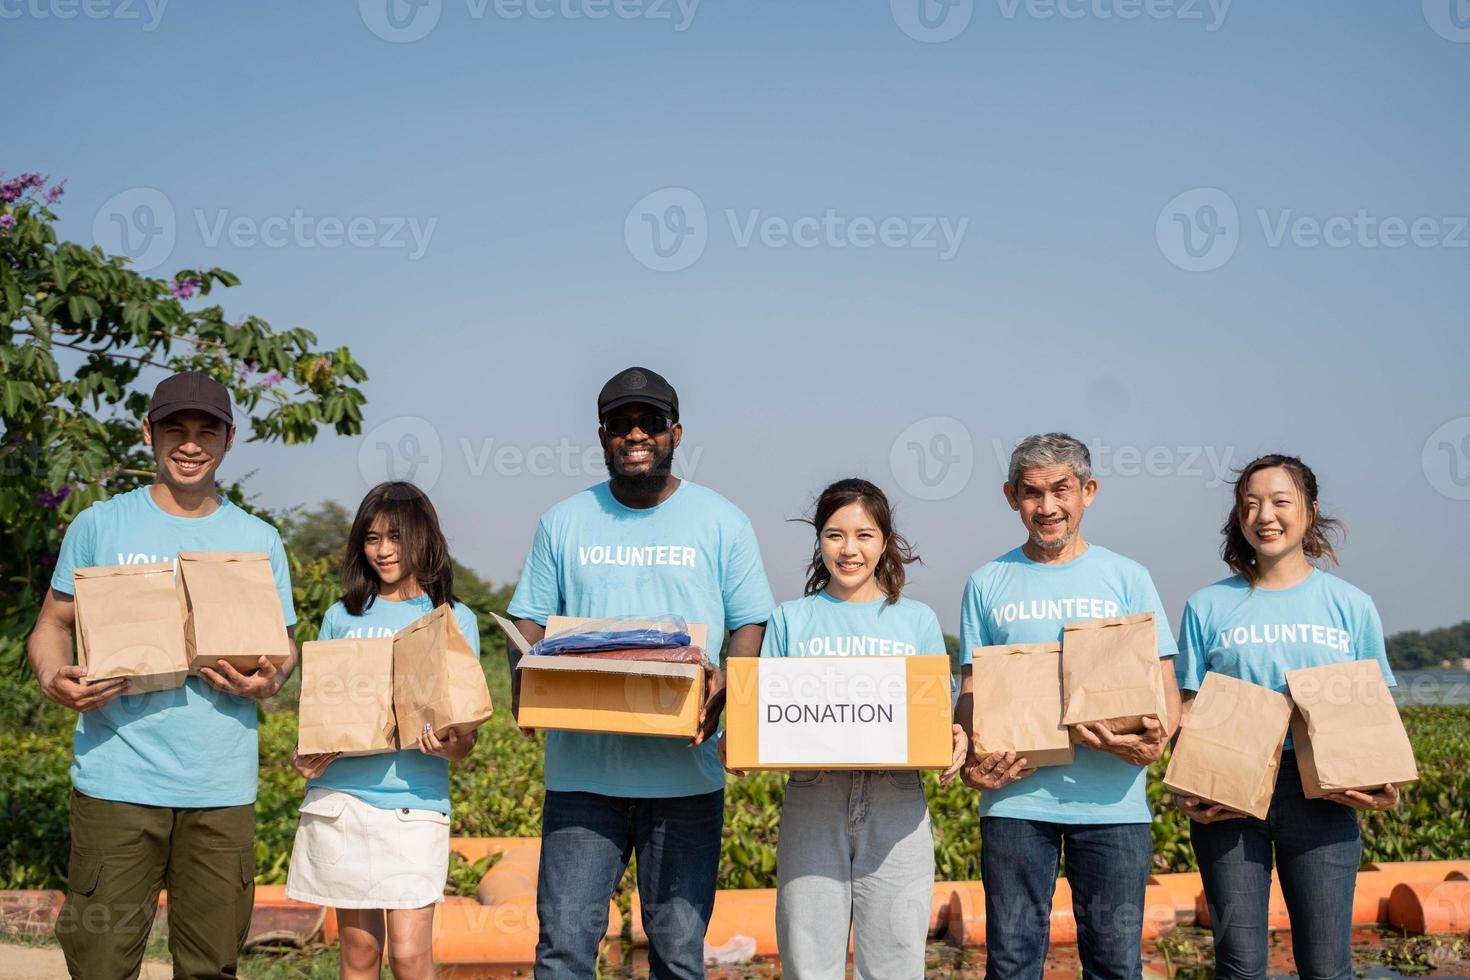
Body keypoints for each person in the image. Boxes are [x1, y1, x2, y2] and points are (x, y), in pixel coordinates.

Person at [27, 371, 297, 980]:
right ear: (149, 432)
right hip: (115, 781)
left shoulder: (259, 540)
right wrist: (53, 679)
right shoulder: (100, 526)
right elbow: (50, 625)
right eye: (176, 428)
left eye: (208, 431)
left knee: (210, 968)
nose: (191, 444)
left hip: (219, 790)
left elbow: (282, 649)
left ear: (230, 439)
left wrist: (270, 682)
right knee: (99, 966)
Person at [506, 366, 774, 979]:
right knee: (565, 951)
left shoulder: (721, 520)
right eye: (620, 425)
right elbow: (527, 623)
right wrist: (525, 678)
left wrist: (731, 679)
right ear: (601, 437)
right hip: (583, 776)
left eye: (649, 423)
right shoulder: (563, 522)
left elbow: (751, 621)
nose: (635, 435)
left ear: (675, 432)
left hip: (684, 776)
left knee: (678, 955)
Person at [953, 432, 1182, 980]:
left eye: (1062, 490)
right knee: (1010, 961)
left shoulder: (1128, 577)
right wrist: (969, 765)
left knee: (1114, 963)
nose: (1047, 507)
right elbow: (971, 688)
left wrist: (1159, 738)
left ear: (1089, 491)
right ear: (1012, 496)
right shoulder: (986, 583)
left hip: (1113, 804)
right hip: (1013, 801)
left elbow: (1165, 682)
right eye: (1032, 493)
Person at [1174, 454, 1400, 980]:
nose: (1264, 516)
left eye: (1280, 502)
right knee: (1240, 965)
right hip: (1228, 792)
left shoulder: (1351, 605)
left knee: (1325, 965)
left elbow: (1375, 709)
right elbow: (1188, 707)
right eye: (1250, 504)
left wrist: (1387, 780)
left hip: (1322, 794)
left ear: (1311, 510)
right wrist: (1185, 785)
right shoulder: (1207, 606)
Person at [747, 478, 965, 979]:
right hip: (812, 797)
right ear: (819, 541)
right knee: (808, 960)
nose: (849, 550)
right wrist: (736, 741)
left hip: (898, 803)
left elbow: (938, 714)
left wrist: (954, 737)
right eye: (834, 535)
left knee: (895, 961)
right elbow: (764, 716)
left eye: (864, 535)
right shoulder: (790, 621)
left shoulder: (918, 621)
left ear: (885, 541)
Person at [286, 482, 482, 980]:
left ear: (424, 538)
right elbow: (320, 718)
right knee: (357, 956)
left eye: (396, 536)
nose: (384, 550)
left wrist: (450, 744)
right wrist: (307, 754)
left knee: (411, 955)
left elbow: (464, 741)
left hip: (414, 804)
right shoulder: (341, 616)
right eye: (372, 539)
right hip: (341, 800)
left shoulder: (454, 619)